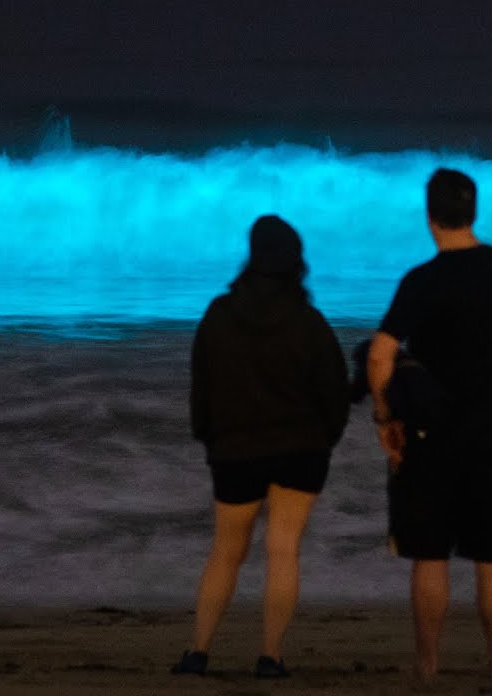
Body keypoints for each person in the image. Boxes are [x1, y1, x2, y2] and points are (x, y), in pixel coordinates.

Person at [172, 214, 350, 679]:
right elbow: (334, 393)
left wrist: (209, 437)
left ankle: (198, 652)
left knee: (226, 549)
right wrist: (325, 439)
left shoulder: (219, 314)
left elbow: (202, 388)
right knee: (283, 548)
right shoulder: (309, 322)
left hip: (235, 450)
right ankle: (270, 656)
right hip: (301, 448)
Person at [367, 168, 492, 690]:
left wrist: (385, 417)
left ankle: (428, 667)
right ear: (473, 211)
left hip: (431, 436)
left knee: (430, 555)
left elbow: (381, 352)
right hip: (491, 435)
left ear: (428, 215)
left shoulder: (421, 281)